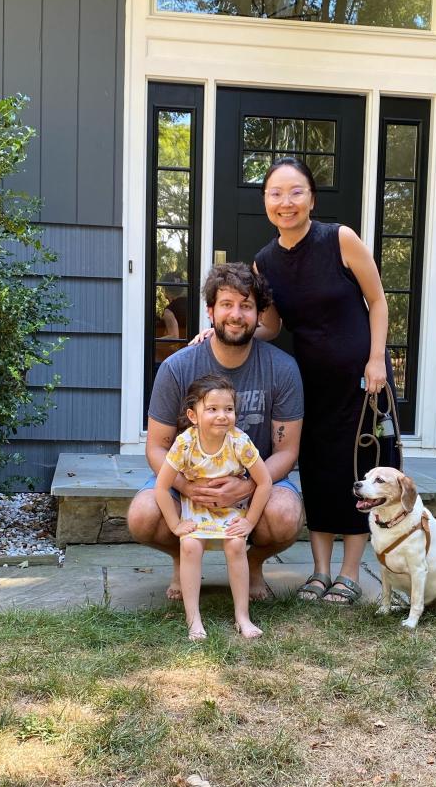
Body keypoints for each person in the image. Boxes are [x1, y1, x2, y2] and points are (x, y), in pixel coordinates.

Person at [252, 156, 399, 606]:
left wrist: (376, 359)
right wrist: (225, 328)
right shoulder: (264, 263)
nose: (286, 202)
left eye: (296, 191)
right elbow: (272, 327)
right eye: (276, 194)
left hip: (363, 380)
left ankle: (350, 573)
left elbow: (377, 301)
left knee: (359, 470)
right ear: (266, 202)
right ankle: (319, 572)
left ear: (311, 198)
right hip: (309, 382)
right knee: (317, 471)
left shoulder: (341, 240)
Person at [127, 261, 304, 601]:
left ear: (259, 314)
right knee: (142, 514)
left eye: (246, 305)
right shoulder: (178, 367)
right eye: (226, 304)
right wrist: (186, 486)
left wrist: (246, 485)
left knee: (285, 514)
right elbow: (156, 448)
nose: (235, 315)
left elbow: (287, 451)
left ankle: (252, 564)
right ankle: (183, 556)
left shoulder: (281, 369)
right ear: (210, 311)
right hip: (188, 476)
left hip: (254, 477)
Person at [154, 373, 273, 641]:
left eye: (228, 409)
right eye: (213, 409)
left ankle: (242, 616)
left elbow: (264, 482)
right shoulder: (185, 443)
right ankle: (193, 619)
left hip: (230, 507)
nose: (222, 416)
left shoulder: (239, 442)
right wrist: (175, 524)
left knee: (235, 544)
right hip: (196, 506)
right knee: (190, 545)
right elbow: (161, 488)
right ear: (193, 416)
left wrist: (250, 522)